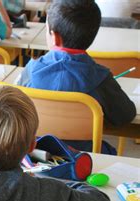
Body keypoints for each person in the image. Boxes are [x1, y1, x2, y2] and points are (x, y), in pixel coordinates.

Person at [18, 0, 136, 153]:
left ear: (54, 36)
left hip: (36, 155)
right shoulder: (101, 78)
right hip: (85, 161)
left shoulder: (31, 70)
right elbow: (125, 116)